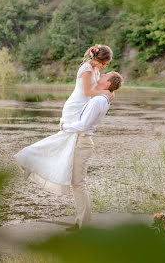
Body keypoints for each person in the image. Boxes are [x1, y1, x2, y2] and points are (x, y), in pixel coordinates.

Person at [15, 45, 114, 195]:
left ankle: (46, 168)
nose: (105, 66)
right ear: (99, 59)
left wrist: (107, 94)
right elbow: (87, 91)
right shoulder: (86, 68)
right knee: (64, 138)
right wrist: (106, 92)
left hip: (83, 107)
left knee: (66, 143)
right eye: (105, 63)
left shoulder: (96, 70)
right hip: (75, 106)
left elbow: (94, 92)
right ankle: (28, 157)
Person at [60, 72, 124, 231]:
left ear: (108, 84)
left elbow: (83, 125)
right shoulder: (101, 98)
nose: (100, 77)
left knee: (78, 183)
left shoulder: (97, 101)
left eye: (104, 77)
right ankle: (80, 221)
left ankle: (84, 225)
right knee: (76, 183)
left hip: (83, 142)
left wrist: (64, 127)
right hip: (80, 141)